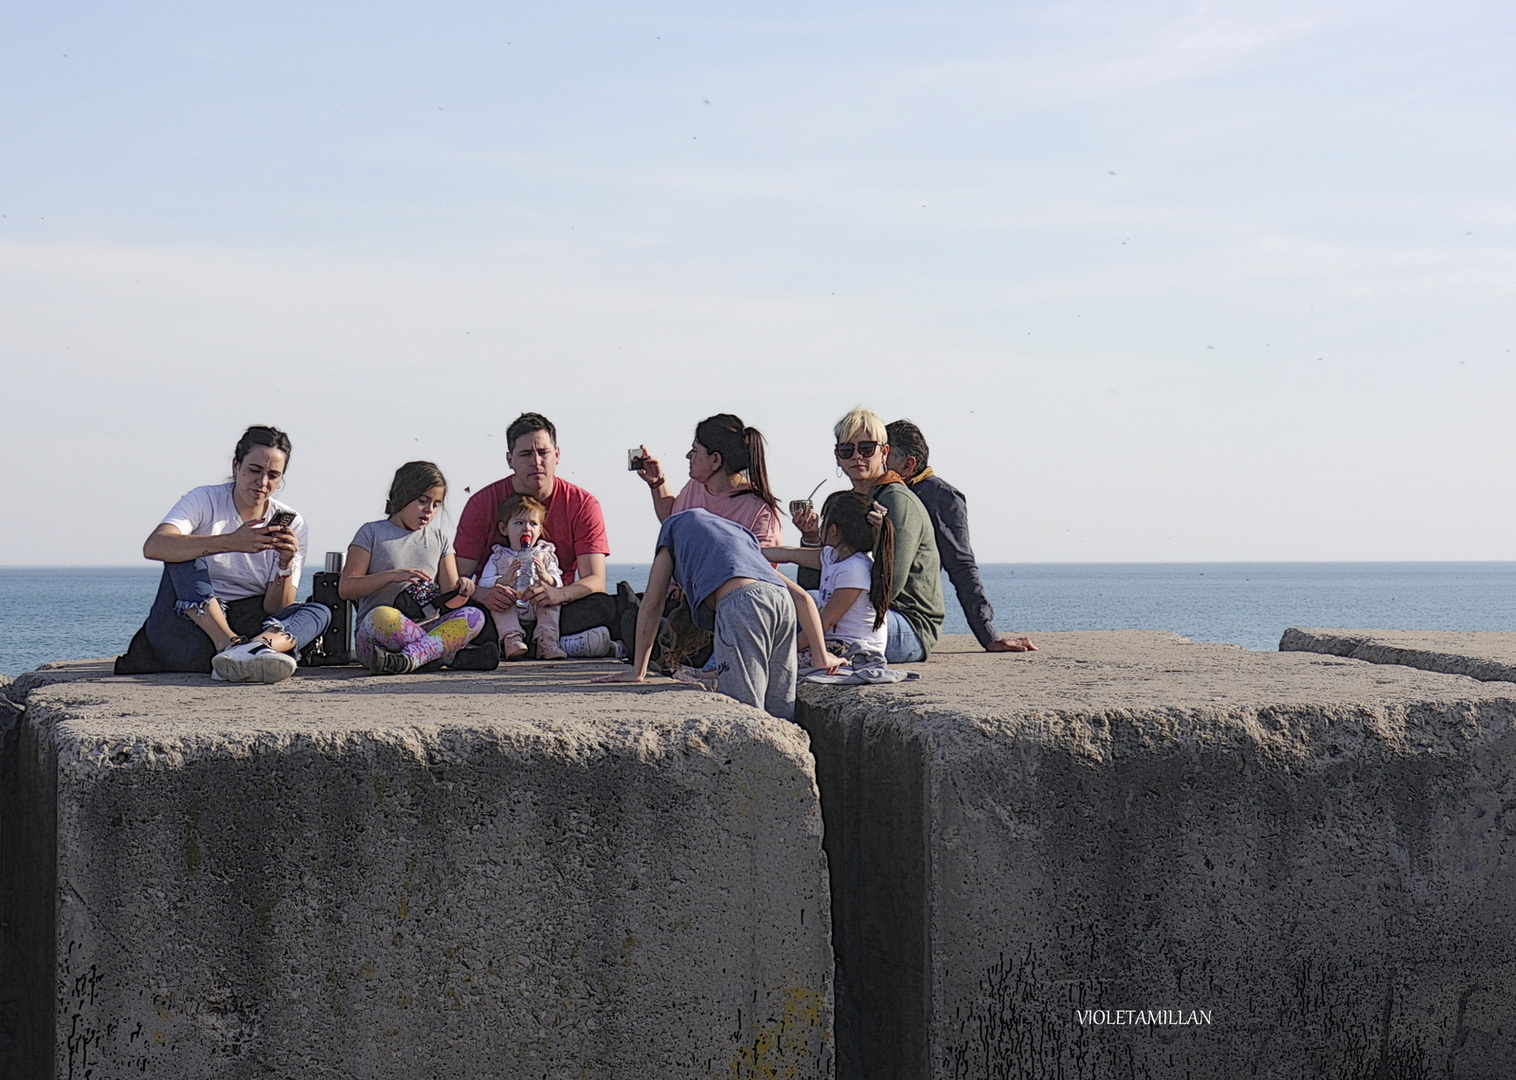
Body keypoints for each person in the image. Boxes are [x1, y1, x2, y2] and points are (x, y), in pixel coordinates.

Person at [115, 425, 332, 683]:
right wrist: (231, 542)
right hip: (190, 629)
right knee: (183, 553)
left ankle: (256, 649)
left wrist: (285, 565)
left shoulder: (293, 523)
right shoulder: (204, 499)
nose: (262, 483)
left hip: (249, 625)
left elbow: (276, 609)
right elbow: (155, 546)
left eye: (273, 475)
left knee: (320, 611)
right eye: (254, 470)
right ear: (236, 466)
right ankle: (229, 645)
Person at [594, 509, 841, 720]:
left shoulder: (672, 528)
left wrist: (638, 671)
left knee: (745, 710)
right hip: (780, 601)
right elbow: (802, 597)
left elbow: (652, 602)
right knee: (780, 705)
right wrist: (821, 657)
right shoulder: (740, 538)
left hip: (742, 604)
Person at [791, 408, 945, 663]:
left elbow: (889, 587)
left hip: (907, 624)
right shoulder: (852, 503)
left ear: (884, 452)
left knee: (797, 607)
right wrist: (811, 539)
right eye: (846, 450)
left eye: (866, 448)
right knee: (788, 603)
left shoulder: (897, 502)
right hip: (867, 615)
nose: (856, 457)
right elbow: (822, 581)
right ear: (837, 457)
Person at [453, 412, 616, 639]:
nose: (536, 462)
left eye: (543, 453)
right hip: (499, 609)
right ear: (510, 460)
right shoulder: (482, 504)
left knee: (605, 605)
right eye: (526, 454)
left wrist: (558, 594)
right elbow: (456, 577)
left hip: (554, 607)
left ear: (557, 455)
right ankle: (547, 642)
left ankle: (535, 639)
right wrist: (484, 594)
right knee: (465, 614)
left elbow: (595, 580)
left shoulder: (582, 504)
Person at [885, 420, 1036, 653]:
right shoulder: (879, 494)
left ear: (908, 464)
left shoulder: (941, 497)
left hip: (906, 616)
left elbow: (961, 566)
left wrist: (988, 635)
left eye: (883, 453)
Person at [339, 461, 486, 675]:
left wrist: (465, 588)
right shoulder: (371, 533)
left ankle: (408, 659)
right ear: (403, 496)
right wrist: (392, 576)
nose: (429, 510)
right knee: (382, 615)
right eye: (423, 501)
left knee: (474, 615)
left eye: (436, 504)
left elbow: (451, 600)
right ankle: (447, 656)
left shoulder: (439, 539)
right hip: (377, 635)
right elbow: (347, 588)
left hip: (426, 627)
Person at [764, 490, 893, 660]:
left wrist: (782, 651)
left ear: (832, 530)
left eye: (823, 521)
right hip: (834, 642)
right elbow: (791, 554)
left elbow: (824, 622)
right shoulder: (831, 556)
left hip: (855, 649)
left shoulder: (854, 569)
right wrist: (750, 551)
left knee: (779, 664)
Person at [632, 413, 784, 546]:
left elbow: (761, 572)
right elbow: (672, 520)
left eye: (695, 450)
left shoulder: (760, 512)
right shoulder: (695, 486)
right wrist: (657, 483)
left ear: (715, 460)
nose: (688, 456)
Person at [477, 494, 565, 660]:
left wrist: (545, 576)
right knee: (499, 603)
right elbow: (484, 582)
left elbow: (557, 582)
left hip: (536, 602)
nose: (526, 528)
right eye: (519, 523)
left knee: (552, 602)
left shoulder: (545, 554)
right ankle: (512, 639)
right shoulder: (499, 556)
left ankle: (547, 641)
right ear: (504, 529)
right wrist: (503, 579)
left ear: (540, 530)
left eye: (533, 523)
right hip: (511, 603)